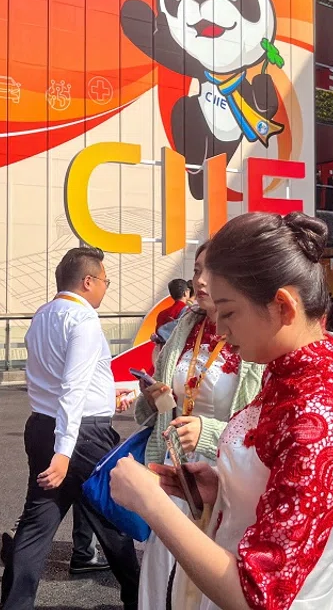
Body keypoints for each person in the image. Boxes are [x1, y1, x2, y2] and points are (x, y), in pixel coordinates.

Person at [111, 212, 333, 610]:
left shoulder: (320, 415)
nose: (220, 328)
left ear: (282, 306)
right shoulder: (290, 376)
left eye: (229, 312)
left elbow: (259, 596)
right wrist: (224, 490)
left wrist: (152, 503)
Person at [0, 247, 140, 610]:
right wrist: (64, 452)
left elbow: (57, 379)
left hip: (42, 426)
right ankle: (140, 599)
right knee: (111, 519)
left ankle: (15, 605)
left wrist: (108, 394)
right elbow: (73, 389)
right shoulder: (85, 320)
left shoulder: (42, 315)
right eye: (105, 280)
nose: (106, 287)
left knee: (36, 524)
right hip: (81, 435)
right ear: (88, 281)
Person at [133, 241, 265, 609]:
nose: (201, 280)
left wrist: (209, 433)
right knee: (163, 575)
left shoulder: (254, 334)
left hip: (226, 478)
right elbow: (163, 403)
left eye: (212, 271)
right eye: (196, 271)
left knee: (208, 582)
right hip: (175, 472)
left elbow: (268, 427)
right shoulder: (185, 326)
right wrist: (154, 399)